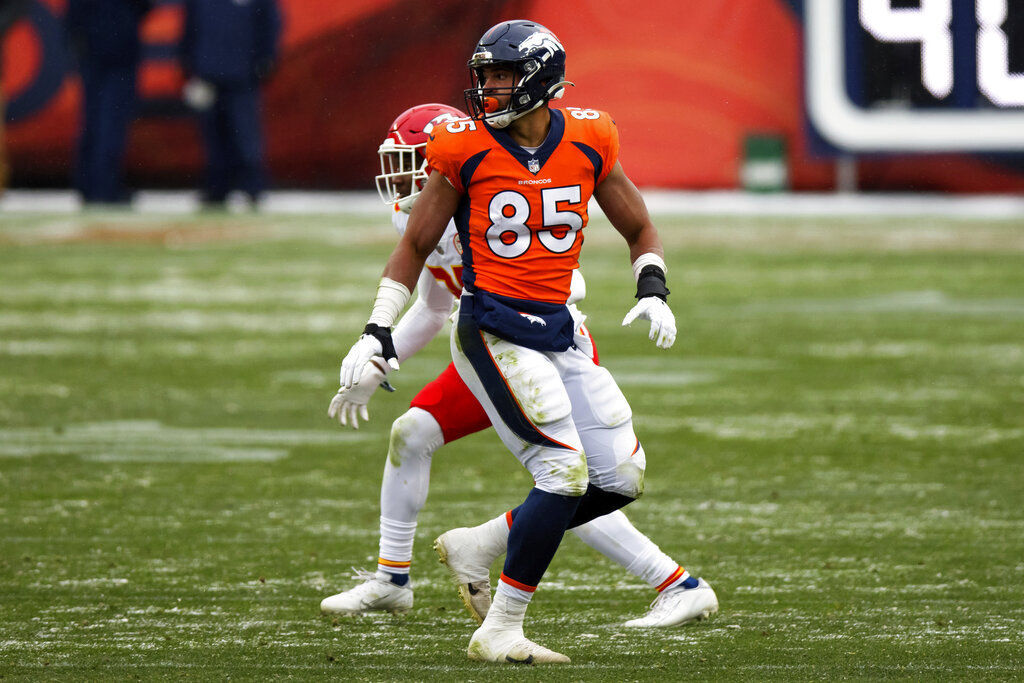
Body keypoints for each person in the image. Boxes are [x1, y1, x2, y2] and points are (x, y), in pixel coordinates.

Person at [337, 20, 713, 664]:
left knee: (618, 477)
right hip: (493, 332)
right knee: (556, 472)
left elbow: (639, 223)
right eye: (482, 76)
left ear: (539, 78)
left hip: (563, 331)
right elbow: (418, 254)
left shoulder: (591, 136)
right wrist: (376, 334)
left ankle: (484, 544)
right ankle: (482, 618)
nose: (486, 89)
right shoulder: (463, 150)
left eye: (501, 75)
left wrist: (652, 287)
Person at [179, 0, 281, 208]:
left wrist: (265, 59)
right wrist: (189, 65)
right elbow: (190, 25)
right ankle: (218, 189)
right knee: (213, 135)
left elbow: (269, 21)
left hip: (242, 71)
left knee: (245, 134)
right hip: (207, 71)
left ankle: (252, 188)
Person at [65, 0, 152, 205]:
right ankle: (105, 188)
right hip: (120, 49)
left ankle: (88, 186)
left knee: (92, 120)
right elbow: (144, 6)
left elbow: (73, 14)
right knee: (111, 123)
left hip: (92, 48)